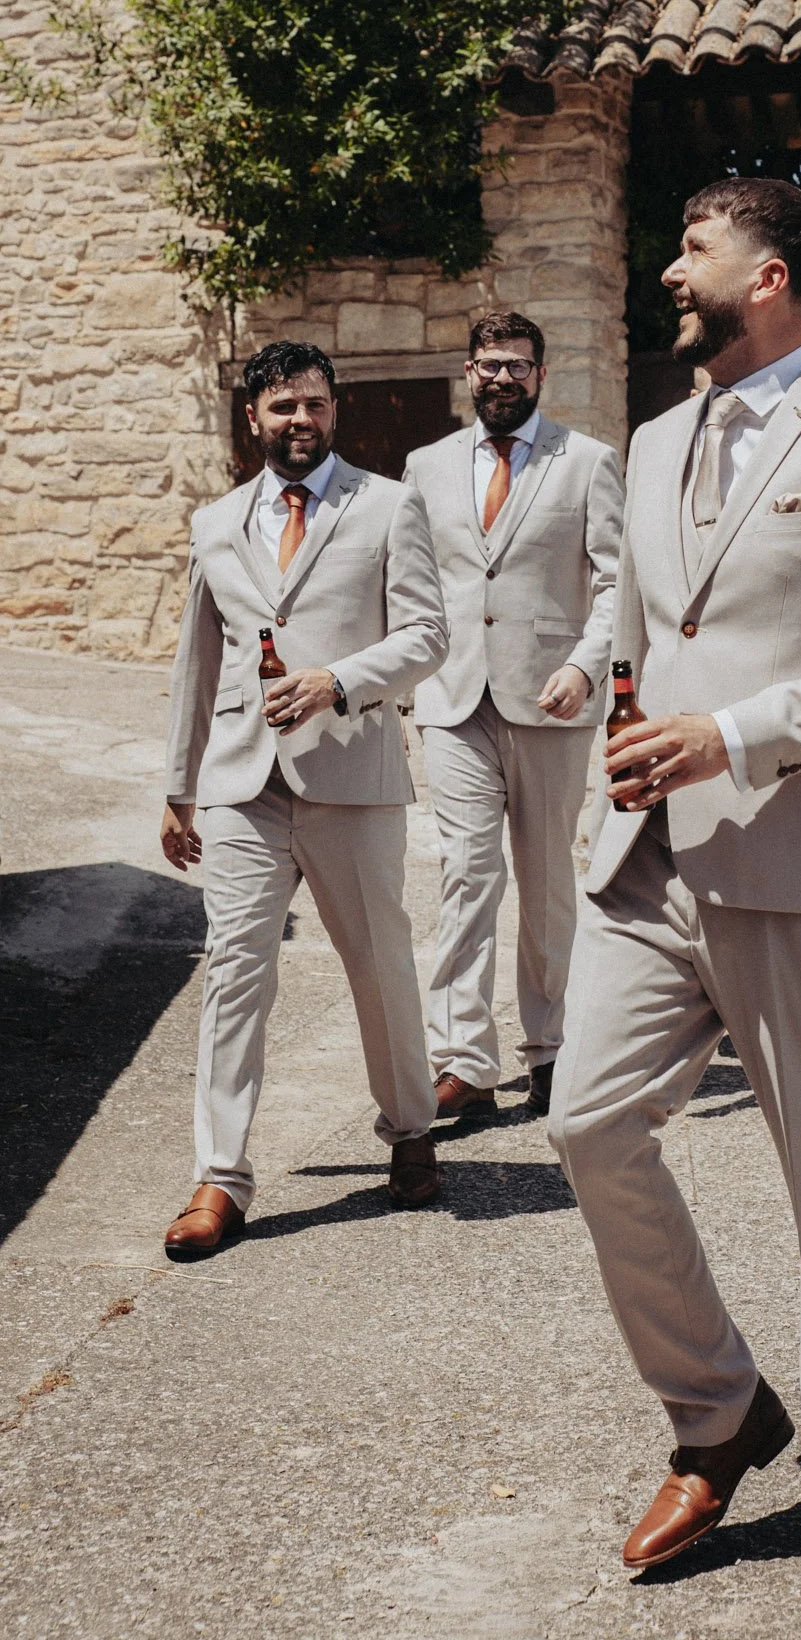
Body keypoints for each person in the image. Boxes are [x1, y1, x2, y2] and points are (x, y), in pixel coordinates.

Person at [547, 180, 801, 1628]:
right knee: (586, 1121)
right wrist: (608, 694)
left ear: (770, 276)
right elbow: (643, 618)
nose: (667, 268)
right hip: (650, 854)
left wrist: (734, 732)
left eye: (693, 249)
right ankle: (718, 1414)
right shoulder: (648, 442)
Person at [160, 341, 449, 1259]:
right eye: (282, 407)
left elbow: (428, 636)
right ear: (254, 417)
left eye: (315, 405)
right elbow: (196, 665)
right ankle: (220, 1176)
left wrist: (339, 680)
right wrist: (179, 785)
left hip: (353, 776)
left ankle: (409, 1130)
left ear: (335, 410)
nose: (300, 421)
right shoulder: (214, 523)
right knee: (235, 973)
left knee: (379, 964)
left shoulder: (390, 507)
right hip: (245, 784)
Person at [404, 310, 623, 1124]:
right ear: (468, 372)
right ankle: (462, 1060)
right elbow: (414, 584)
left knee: (545, 884)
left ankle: (552, 1050)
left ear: (540, 375)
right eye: (489, 364)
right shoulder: (424, 466)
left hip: (550, 699)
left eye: (518, 366)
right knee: (465, 874)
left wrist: (581, 665)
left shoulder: (588, 462)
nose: (503, 377)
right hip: (453, 698)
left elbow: (615, 584)